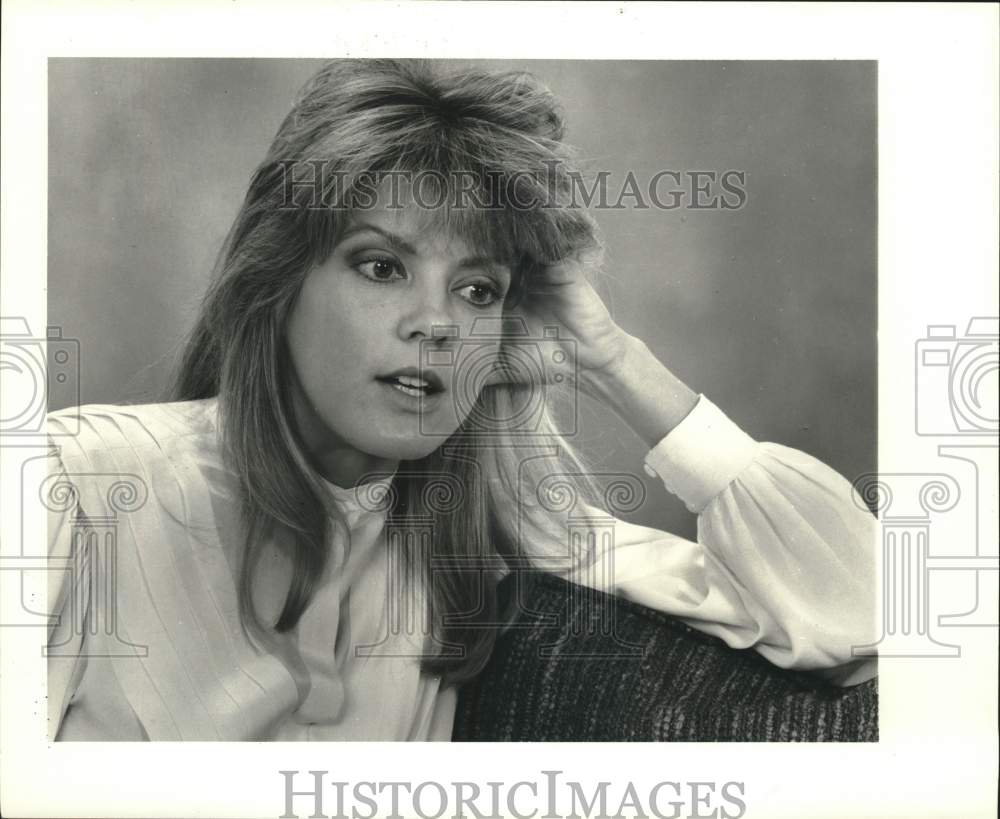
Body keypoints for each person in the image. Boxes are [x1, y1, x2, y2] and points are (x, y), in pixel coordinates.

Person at [44, 58, 878, 741]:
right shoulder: (74, 489)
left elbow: (865, 610)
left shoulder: (489, 533)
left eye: (478, 288)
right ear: (278, 278)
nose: (437, 323)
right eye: (382, 266)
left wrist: (617, 360)